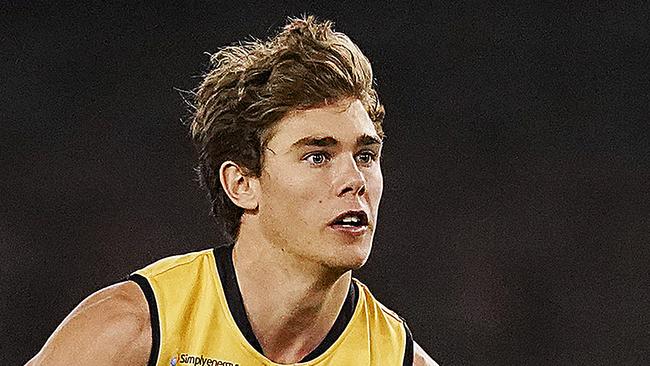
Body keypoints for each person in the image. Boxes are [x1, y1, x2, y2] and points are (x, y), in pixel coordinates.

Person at [27, 16, 438, 366]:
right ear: (242, 184)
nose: (355, 180)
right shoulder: (132, 331)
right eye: (317, 156)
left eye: (366, 155)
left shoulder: (393, 357)